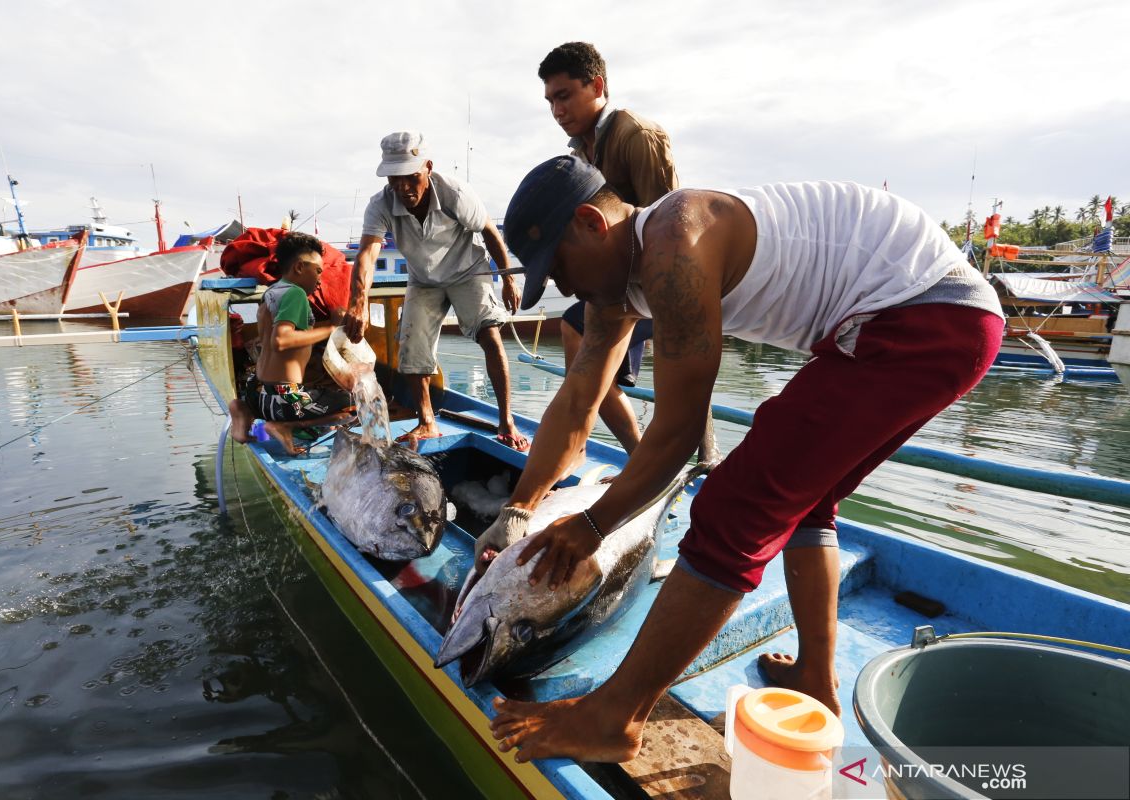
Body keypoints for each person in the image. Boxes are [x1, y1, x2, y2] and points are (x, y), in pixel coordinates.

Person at [483, 156, 1004, 763]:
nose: (566, 290)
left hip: (925, 313)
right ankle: (815, 678)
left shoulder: (674, 242)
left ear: (591, 222)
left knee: (735, 507)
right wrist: (521, 506)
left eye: (561, 268)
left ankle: (615, 716)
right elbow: (578, 401)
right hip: (921, 320)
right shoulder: (616, 286)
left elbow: (678, 433)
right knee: (808, 497)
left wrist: (595, 523)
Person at [343, 131, 529, 450]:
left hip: (468, 270)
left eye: (410, 176)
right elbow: (367, 256)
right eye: (394, 178)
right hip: (424, 278)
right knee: (411, 344)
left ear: (428, 167)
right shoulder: (381, 204)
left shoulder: (455, 192)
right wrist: (358, 304)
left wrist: (508, 277)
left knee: (490, 334)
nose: (402, 186)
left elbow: (488, 232)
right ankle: (426, 420)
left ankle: (506, 419)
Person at [539, 41, 676, 455]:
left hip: (656, 282)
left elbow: (666, 228)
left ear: (597, 85)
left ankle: (648, 458)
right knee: (573, 331)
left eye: (564, 96)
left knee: (583, 344)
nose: (557, 110)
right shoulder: (582, 149)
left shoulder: (637, 136)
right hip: (618, 283)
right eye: (550, 101)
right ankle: (632, 453)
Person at [229, 232, 351, 455]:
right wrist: (331, 329)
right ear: (299, 267)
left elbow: (277, 337)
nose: (320, 279)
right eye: (317, 271)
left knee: (318, 393)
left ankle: (243, 409)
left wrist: (326, 326)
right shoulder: (296, 294)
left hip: (257, 394)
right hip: (283, 400)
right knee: (354, 402)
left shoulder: (272, 292)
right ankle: (286, 426)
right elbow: (281, 339)